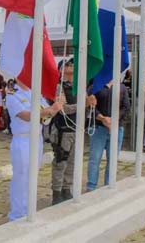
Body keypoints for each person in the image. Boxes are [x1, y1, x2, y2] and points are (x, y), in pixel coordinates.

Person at [6, 80, 62, 221]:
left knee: (32, 175)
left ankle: (29, 209)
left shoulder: (35, 93)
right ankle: (17, 214)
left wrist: (56, 108)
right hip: (23, 139)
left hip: (37, 138)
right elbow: (26, 115)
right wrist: (49, 110)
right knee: (21, 176)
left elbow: (45, 118)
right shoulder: (13, 95)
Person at [50, 58, 94, 204]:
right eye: (68, 67)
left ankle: (66, 189)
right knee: (60, 162)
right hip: (63, 130)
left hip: (76, 129)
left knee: (72, 163)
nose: (72, 69)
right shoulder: (59, 87)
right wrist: (82, 105)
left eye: (72, 67)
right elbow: (63, 109)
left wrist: (89, 104)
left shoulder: (78, 87)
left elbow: (86, 106)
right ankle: (56, 192)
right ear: (62, 71)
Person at [86, 79, 130, 191]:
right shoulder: (95, 86)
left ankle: (109, 185)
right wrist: (102, 118)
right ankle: (91, 187)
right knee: (95, 159)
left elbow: (126, 107)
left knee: (113, 159)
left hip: (116, 128)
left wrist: (113, 119)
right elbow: (89, 106)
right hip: (98, 127)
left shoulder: (122, 87)